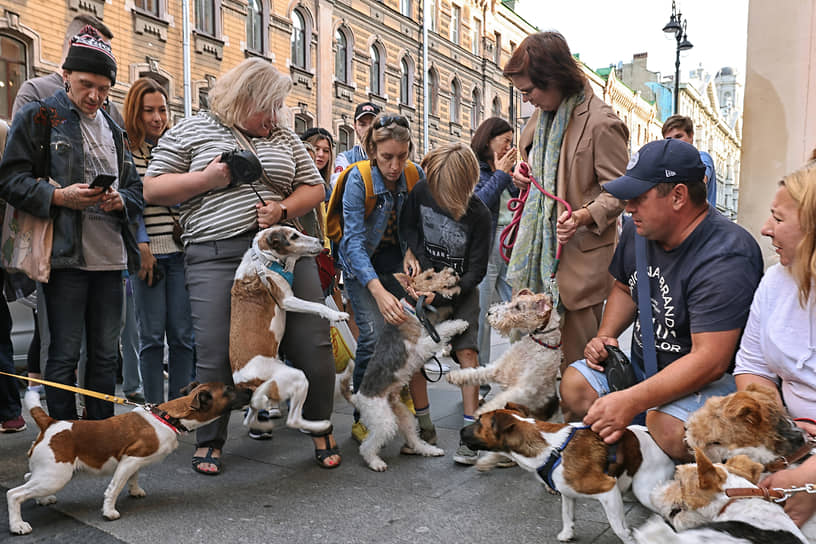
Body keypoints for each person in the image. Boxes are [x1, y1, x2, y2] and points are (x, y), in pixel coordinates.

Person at [143, 57, 339, 473]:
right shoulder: (193, 128)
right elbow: (152, 187)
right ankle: (210, 436)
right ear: (242, 99)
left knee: (312, 341)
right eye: (267, 107)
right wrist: (209, 180)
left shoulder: (284, 136)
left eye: (278, 107)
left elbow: (316, 187)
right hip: (215, 252)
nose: (274, 117)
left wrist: (283, 208)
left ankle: (319, 424)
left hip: (282, 250)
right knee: (215, 350)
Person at [559, 138, 763, 460]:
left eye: (639, 197)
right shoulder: (638, 230)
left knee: (666, 426)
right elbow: (626, 287)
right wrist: (606, 335)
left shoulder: (726, 255)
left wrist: (631, 401)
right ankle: (640, 451)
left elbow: (710, 361)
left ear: (679, 196)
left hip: (706, 384)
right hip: (645, 369)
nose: (628, 208)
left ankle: (680, 469)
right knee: (574, 385)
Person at [0, 26, 143, 421]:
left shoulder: (114, 129)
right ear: (66, 76)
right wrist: (59, 197)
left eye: (103, 88)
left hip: (111, 260)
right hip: (63, 259)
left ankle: (98, 438)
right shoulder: (40, 115)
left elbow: (136, 188)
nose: (95, 96)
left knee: (103, 357)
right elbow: (9, 180)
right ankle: (60, 440)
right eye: (86, 85)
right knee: (62, 355)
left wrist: (121, 200)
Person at [503, 31, 629, 372]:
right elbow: (529, 161)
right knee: (533, 372)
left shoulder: (602, 123)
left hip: (578, 273)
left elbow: (620, 190)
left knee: (578, 377)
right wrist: (521, 174)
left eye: (530, 91)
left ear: (554, 77)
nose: (527, 100)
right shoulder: (541, 114)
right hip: (537, 267)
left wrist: (585, 215)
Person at [733, 154, 816, 527]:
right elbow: (751, 365)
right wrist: (782, 427)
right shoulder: (775, 281)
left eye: (779, 219)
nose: (765, 229)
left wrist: (806, 479)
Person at [399, 142, 491, 465]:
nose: (437, 193)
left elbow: (476, 272)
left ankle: (471, 435)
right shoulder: (422, 191)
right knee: (413, 355)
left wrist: (442, 294)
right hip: (423, 282)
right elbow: (407, 226)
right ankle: (424, 428)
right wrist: (412, 253)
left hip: (460, 290)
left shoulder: (479, 214)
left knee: (468, 354)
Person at [335, 114, 423, 445]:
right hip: (362, 266)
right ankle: (363, 415)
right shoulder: (358, 180)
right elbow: (353, 243)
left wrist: (413, 252)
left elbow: (419, 223)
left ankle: (397, 402)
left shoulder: (415, 175)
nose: (395, 166)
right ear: (373, 150)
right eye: (387, 157)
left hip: (397, 261)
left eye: (402, 156)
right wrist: (377, 290)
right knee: (371, 339)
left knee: (406, 335)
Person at [123, 77, 194, 404]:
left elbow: (187, 196)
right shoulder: (125, 150)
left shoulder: (175, 147)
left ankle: (178, 406)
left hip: (180, 253)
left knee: (182, 337)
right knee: (151, 338)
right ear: (135, 112)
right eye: (148, 110)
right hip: (148, 255)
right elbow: (130, 203)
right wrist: (142, 246)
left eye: (162, 110)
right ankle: (154, 408)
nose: (157, 117)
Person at [12, 14, 124, 127]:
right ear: (74, 45)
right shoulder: (34, 92)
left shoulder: (110, 111)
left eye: (106, 51)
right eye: (95, 47)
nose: (93, 96)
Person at [470, 117, 516, 367]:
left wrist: (515, 179)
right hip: (487, 245)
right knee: (482, 313)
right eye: (505, 141)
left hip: (510, 243)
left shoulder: (503, 167)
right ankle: (478, 380)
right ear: (488, 139)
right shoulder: (475, 166)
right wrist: (501, 174)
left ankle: (523, 370)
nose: (509, 147)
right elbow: (479, 205)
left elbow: (515, 200)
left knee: (519, 307)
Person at [662, 114, 718, 208]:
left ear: (691, 136)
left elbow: (698, 181)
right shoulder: (668, 165)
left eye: (678, 136)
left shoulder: (702, 158)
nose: (674, 142)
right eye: (669, 139)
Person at [330, 102, 380, 188]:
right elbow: (338, 185)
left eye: (372, 124)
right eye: (362, 124)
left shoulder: (391, 155)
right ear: (355, 127)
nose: (368, 129)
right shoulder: (345, 158)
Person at [299, 127, 334, 239]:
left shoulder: (329, 190)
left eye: (326, 151)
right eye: (316, 148)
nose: (320, 154)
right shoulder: (296, 185)